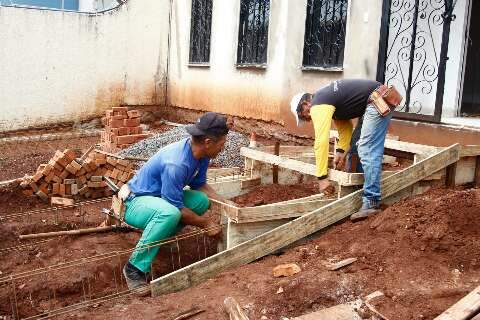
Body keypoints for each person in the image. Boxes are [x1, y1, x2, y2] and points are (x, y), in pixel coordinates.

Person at [121, 112, 232, 295]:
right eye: (221, 145)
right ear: (208, 142)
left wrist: (224, 202)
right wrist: (206, 224)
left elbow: (200, 185)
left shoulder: (201, 156)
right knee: (170, 213)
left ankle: (161, 238)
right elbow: (177, 208)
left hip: (158, 200)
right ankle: (134, 269)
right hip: (136, 202)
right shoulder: (177, 163)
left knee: (201, 201)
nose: (223, 149)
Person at [290, 79, 397, 222]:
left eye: (304, 115)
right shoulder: (330, 102)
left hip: (377, 100)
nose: (308, 119)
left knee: (367, 148)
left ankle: (371, 201)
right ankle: (360, 190)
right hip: (375, 100)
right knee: (356, 148)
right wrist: (340, 152)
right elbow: (345, 128)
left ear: (305, 105)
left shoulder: (318, 104)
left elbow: (321, 142)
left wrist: (322, 178)